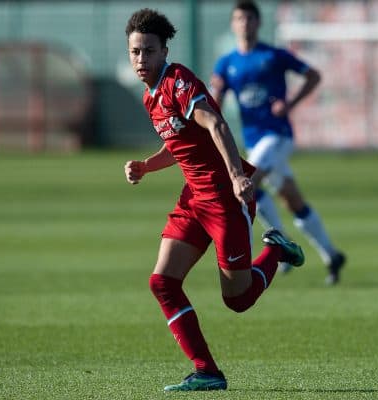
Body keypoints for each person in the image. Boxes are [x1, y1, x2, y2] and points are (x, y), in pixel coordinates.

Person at [124, 8, 305, 392]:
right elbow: (177, 145)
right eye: (135, 52)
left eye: (148, 51)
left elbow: (216, 124)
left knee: (236, 300)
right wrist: (145, 166)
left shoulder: (179, 82)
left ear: (163, 51)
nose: (141, 59)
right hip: (193, 200)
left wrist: (239, 176)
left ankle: (276, 251)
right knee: (162, 282)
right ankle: (207, 371)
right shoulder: (150, 97)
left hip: (225, 198)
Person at [210, 1, 345, 285]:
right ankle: (332, 255)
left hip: (278, 137)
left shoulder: (274, 56)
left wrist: (290, 103)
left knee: (246, 184)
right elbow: (216, 105)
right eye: (239, 18)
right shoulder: (226, 63)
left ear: (258, 23)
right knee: (291, 200)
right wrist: (215, 99)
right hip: (253, 141)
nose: (244, 23)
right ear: (233, 24)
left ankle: (274, 246)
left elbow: (313, 75)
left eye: (249, 18)